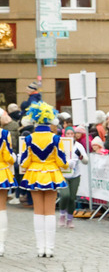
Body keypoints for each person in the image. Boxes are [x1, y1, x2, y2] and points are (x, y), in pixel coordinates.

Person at [19, 102, 67, 257]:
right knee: (50, 211)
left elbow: (24, 162)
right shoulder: (56, 138)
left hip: (34, 174)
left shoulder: (28, 138)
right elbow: (62, 161)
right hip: (52, 174)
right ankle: (50, 248)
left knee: (38, 211)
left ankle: (40, 249)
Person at [57, 125, 89, 228]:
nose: (70, 136)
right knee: (65, 195)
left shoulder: (78, 146)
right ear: (64, 135)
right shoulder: (60, 144)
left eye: (72, 134)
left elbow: (86, 161)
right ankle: (62, 215)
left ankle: (70, 219)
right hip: (63, 174)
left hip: (75, 175)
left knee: (72, 198)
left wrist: (81, 156)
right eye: (68, 134)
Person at [0, 115, 14, 255]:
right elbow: (8, 156)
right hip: (1, 171)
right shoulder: (4, 133)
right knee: (1, 207)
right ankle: (1, 245)